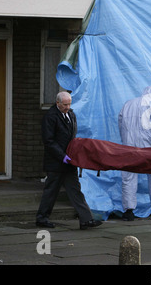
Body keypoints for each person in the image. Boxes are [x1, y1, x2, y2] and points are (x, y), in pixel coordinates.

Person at [36, 91, 102, 230]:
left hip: (69, 162)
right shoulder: (50, 117)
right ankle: (42, 218)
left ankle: (86, 219)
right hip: (56, 162)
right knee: (51, 191)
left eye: (69, 104)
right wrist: (62, 156)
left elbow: (72, 136)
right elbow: (49, 141)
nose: (67, 107)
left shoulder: (71, 114)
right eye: (65, 104)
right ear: (57, 103)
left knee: (75, 190)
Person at [118, 86, 151, 221]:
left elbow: (120, 122)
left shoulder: (128, 104)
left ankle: (129, 211)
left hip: (129, 145)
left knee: (128, 176)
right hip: (147, 144)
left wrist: (125, 140)